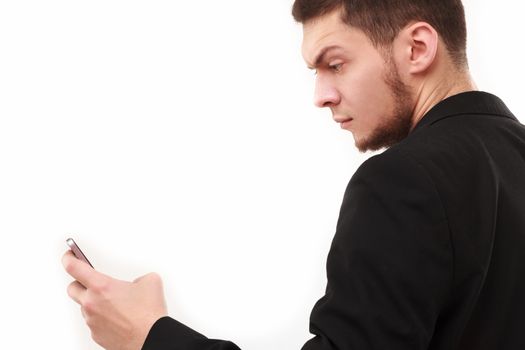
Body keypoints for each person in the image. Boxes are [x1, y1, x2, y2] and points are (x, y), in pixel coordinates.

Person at [62, 0, 525, 349]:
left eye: (335, 64)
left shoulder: (401, 181)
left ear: (417, 48)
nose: (321, 95)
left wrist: (149, 335)